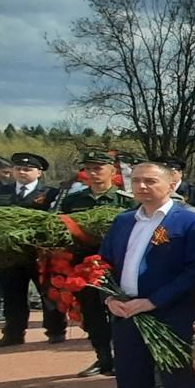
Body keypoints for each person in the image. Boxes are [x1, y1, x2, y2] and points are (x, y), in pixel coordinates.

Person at [95, 162, 195, 388]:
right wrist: (109, 297)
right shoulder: (122, 222)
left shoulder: (189, 222)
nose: (142, 187)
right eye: (136, 181)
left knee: (178, 381)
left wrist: (153, 301)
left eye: (150, 181)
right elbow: (103, 264)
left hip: (169, 315)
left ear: (171, 185)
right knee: (132, 380)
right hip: (125, 313)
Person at [58, 151, 138, 375]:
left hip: (117, 265)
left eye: (98, 168)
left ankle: (124, 358)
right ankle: (103, 357)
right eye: (89, 169)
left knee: (120, 310)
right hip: (83, 265)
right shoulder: (73, 200)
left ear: (112, 171)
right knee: (91, 311)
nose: (92, 173)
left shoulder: (126, 200)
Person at [0, 152, 66, 349]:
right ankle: (13, 332)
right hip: (10, 254)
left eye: (27, 169)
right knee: (13, 294)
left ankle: (55, 330)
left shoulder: (51, 194)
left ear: (39, 173)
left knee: (48, 293)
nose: (22, 172)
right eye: (18, 168)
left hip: (39, 254)